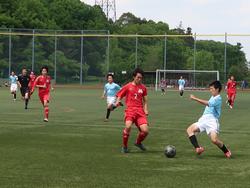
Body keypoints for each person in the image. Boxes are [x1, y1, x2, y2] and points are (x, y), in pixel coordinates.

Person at [186, 81, 231, 158]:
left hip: (212, 120)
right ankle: (198, 148)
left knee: (214, 140)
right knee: (189, 130)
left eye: (212, 88)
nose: (210, 90)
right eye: (210, 88)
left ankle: (226, 151)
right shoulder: (213, 96)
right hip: (204, 119)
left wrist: (194, 98)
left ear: (217, 89)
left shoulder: (218, 98)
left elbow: (208, 104)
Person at [115, 68, 149, 153]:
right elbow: (119, 95)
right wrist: (117, 101)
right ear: (134, 77)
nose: (139, 79)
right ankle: (125, 146)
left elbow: (145, 100)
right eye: (138, 77)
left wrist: (145, 109)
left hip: (140, 112)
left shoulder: (143, 88)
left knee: (145, 131)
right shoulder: (128, 86)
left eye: (141, 78)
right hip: (130, 110)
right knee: (128, 126)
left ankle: (138, 143)